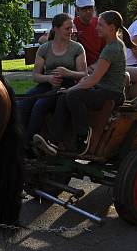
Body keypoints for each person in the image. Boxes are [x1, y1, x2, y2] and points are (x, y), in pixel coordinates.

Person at [33, 11, 128, 157]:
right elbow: (93, 77)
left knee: (71, 95)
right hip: (103, 89)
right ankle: (53, 142)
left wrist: (72, 88)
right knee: (65, 97)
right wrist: (78, 84)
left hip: (112, 93)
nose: (97, 28)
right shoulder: (112, 46)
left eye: (100, 25)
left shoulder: (112, 49)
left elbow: (94, 80)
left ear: (112, 27)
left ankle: (83, 135)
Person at [18, 13, 87, 152]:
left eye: (72, 28)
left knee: (40, 105)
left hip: (66, 86)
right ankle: (18, 138)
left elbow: (84, 74)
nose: (71, 31)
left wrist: (68, 73)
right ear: (56, 29)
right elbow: (36, 75)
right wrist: (48, 78)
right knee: (23, 104)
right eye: (67, 29)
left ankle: (29, 143)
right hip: (47, 84)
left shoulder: (77, 48)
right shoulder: (45, 48)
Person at [74, 0, 105, 65]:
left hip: (101, 64)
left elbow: (107, 50)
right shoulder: (72, 26)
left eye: (90, 8)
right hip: (80, 68)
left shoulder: (101, 23)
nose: (88, 11)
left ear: (94, 8)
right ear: (77, 10)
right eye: (84, 9)